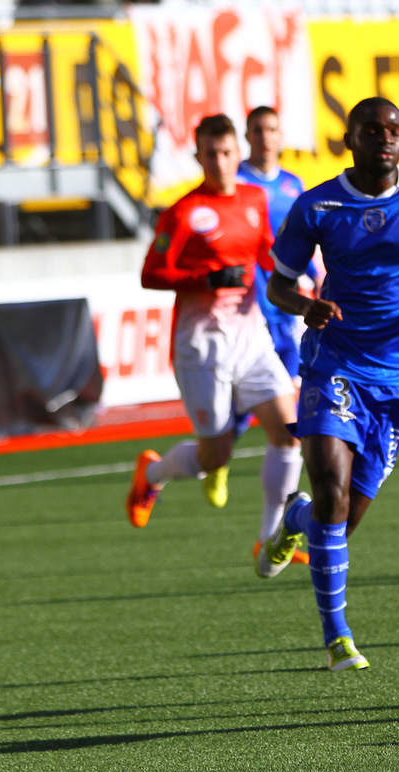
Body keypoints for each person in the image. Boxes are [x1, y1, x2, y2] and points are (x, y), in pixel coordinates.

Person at [259, 97, 399, 672]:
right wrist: (306, 306)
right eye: (373, 129)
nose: (386, 138)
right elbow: (278, 286)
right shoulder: (318, 205)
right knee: (334, 494)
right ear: (349, 139)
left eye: (395, 129)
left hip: (397, 374)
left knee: (343, 519)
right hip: (333, 364)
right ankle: (338, 640)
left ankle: (295, 518)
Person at [126, 114, 303, 560]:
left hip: (251, 336)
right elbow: (151, 273)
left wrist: (300, 271)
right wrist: (206, 278)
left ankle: (272, 539)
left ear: (236, 154)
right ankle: (151, 475)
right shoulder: (183, 212)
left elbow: (266, 249)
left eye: (227, 154)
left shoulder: (253, 198)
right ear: (198, 157)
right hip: (202, 345)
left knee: (290, 433)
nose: (221, 163)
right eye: (211, 155)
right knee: (215, 457)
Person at [197, 106, 321, 537]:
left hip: (288, 306)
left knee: (286, 404)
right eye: (257, 130)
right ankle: (216, 459)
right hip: (252, 304)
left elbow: (306, 234)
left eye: (271, 129)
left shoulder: (292, 183)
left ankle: (275, 523)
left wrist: (318, 274)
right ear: (246, 136)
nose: (265, 137)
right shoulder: (239, 182)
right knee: (256, 406)